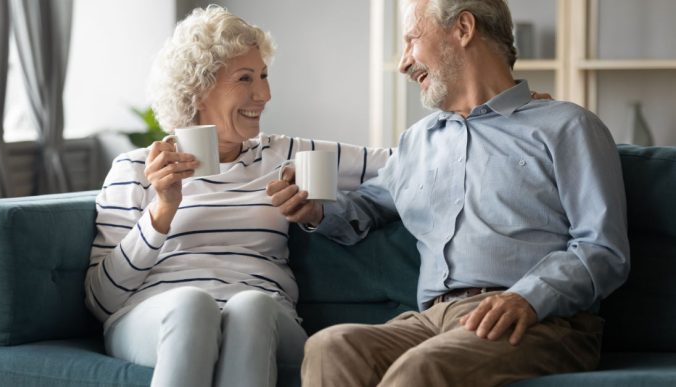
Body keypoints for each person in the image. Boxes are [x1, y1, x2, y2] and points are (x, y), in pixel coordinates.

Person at [268, 0, 630, 385]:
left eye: (412, 40)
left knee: (422, 367)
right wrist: (314, 211)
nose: (403, 64)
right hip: (433, 319)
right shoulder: (418, 141)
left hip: (541, 319)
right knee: (332, 346)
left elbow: (602, 249)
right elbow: (364, 208)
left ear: (463, 29)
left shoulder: (567, 126)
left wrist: (529, 297)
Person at [84, 6, 390, 387]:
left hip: (266, 315)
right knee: (191, 304)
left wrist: (323, 208)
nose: (264, 94)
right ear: (197, 89)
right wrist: (163, 209)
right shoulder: (135, 169)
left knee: (251, 304)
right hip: (153, 316)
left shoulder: (288, 155)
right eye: (245, 78)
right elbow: (102, 301)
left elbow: (405, 163)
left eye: (263, 75)